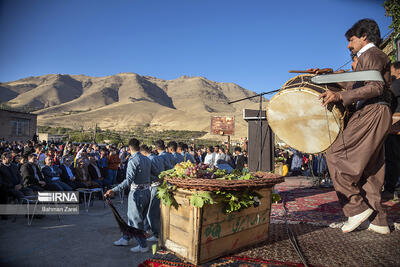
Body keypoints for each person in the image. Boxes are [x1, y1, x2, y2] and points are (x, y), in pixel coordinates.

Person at [317, 19, 392, 234]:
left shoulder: (371, 54)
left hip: (371, 111)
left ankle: (356, 209)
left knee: (335, 155)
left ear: (364, 36)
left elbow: (375, 87)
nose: (349, 45)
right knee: (371, 170)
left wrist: (340, 95)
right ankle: (378, 222)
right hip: (376, 111)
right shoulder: (370, 57)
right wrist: (324, 77)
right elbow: (355, 85)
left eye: (351, 39)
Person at [104, 138, 151, 253]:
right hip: (147, 192)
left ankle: (143, 245)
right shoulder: (146, 159)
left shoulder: (133, 160)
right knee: (133, 218)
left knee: (136, 221)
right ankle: (126, 238)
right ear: (138, 147)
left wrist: (114, 190)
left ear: (129, 148)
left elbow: (128, 180)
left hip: (137, 193)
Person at [383, 61, 400, 200]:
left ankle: (390, 189)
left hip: (395, 126)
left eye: (392, 71)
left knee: (392, 159)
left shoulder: (395, 86)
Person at [140, 144, 164, 241]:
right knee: (152, 210)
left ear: (143, 152)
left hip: (154, 186)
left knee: (152, 212)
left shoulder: (149, 159)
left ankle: (156, 234)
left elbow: (155, 175)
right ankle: (149, 229)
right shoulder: (157, 157)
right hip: (158, 186)